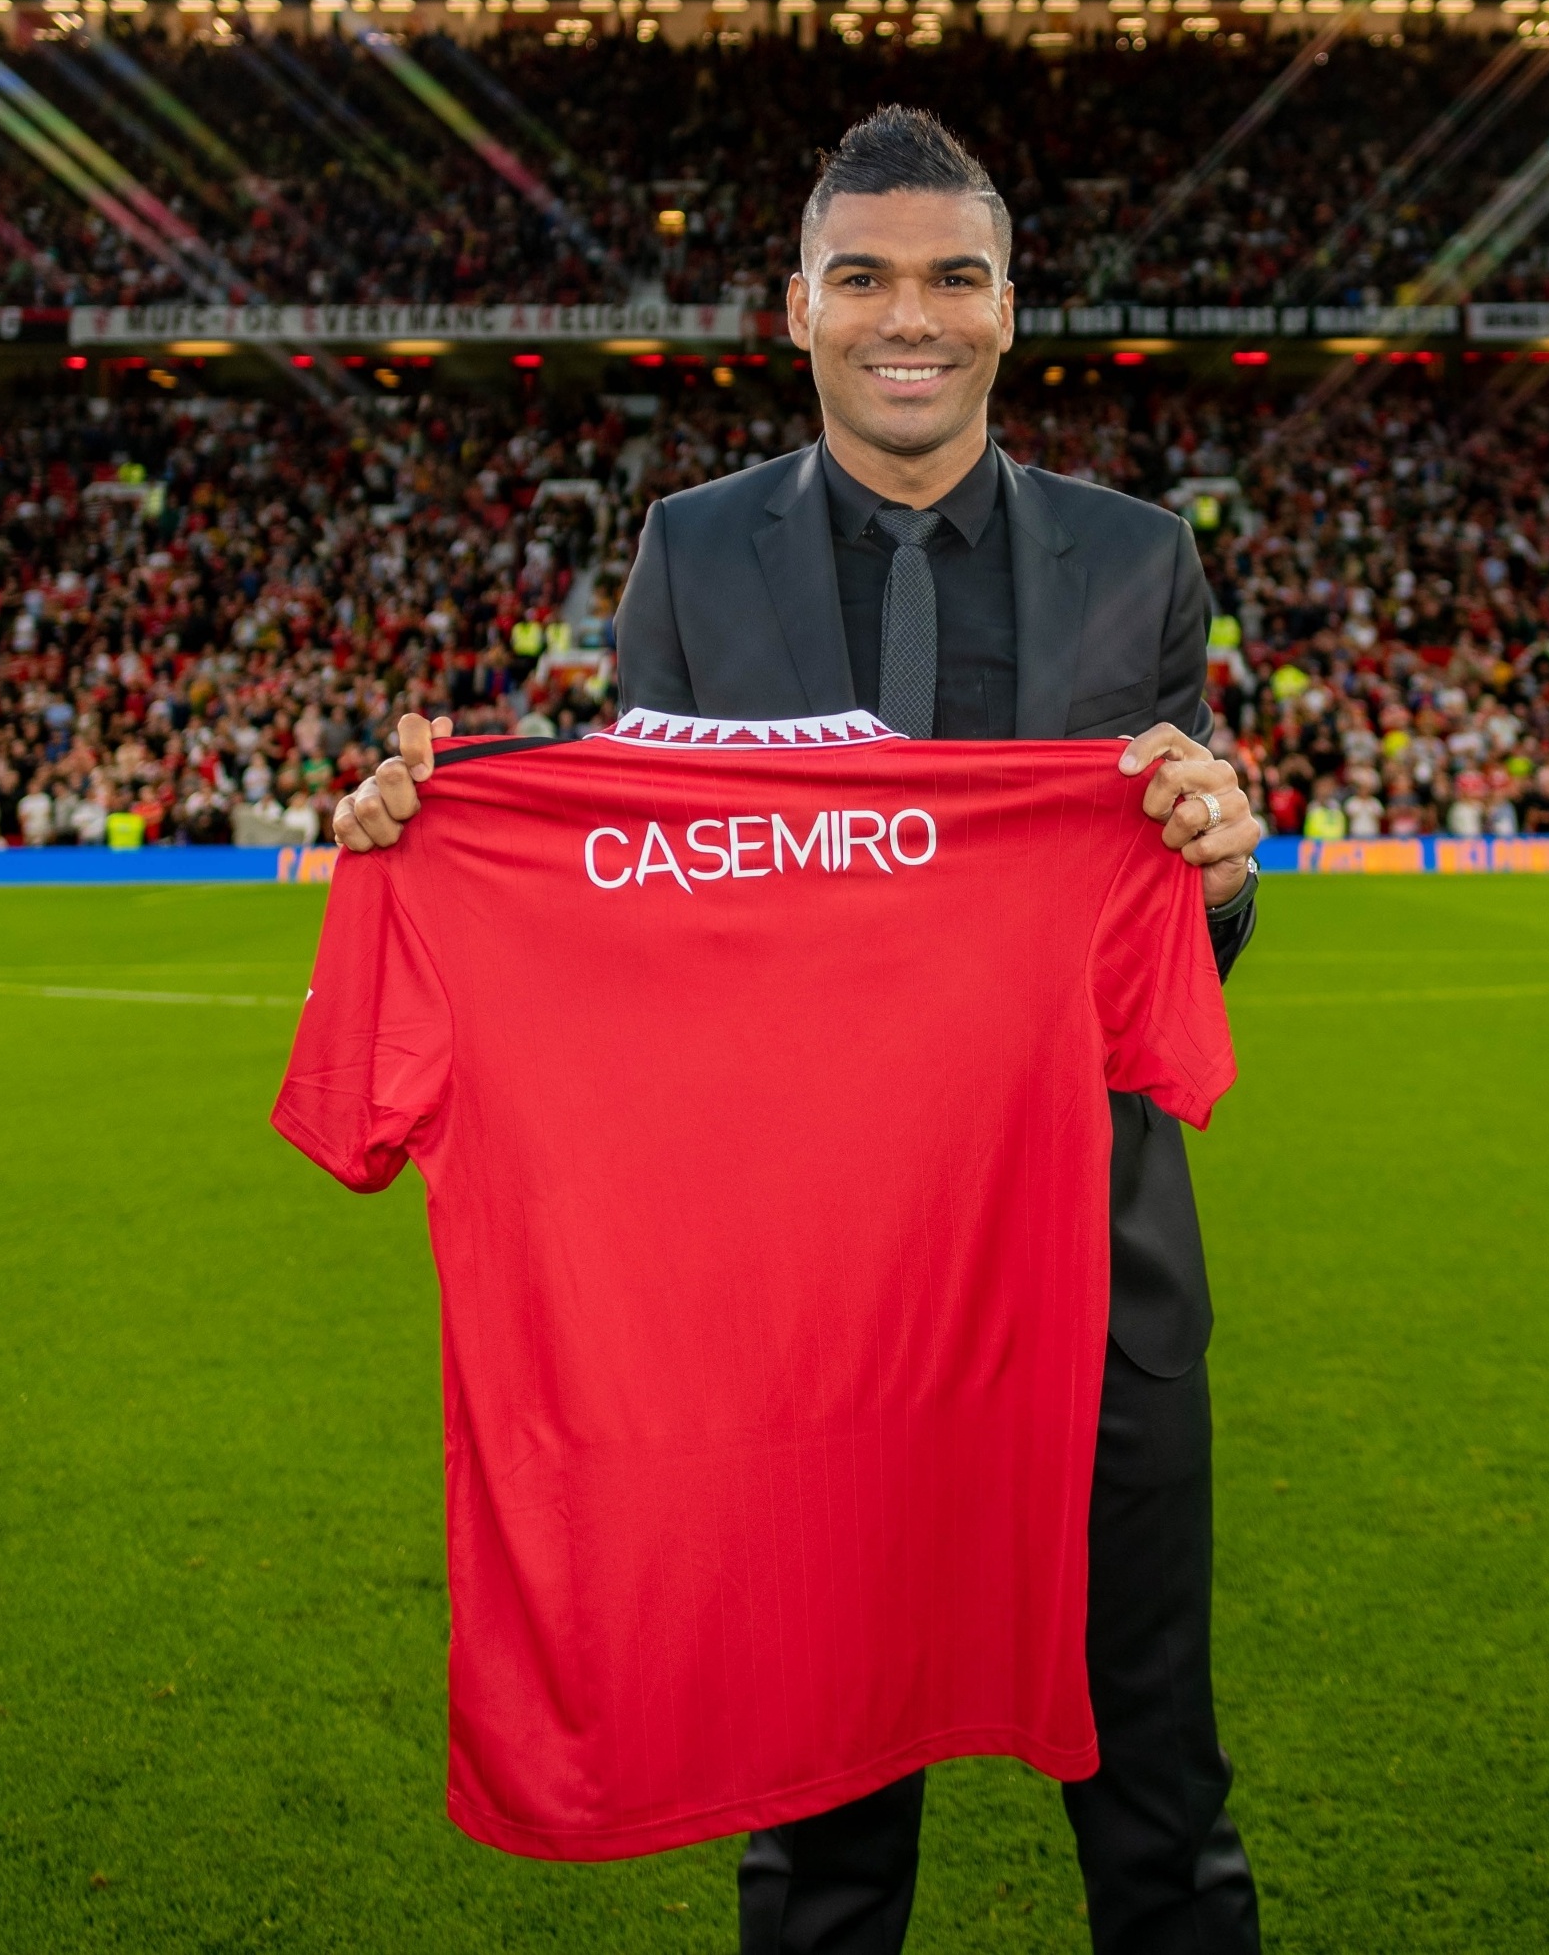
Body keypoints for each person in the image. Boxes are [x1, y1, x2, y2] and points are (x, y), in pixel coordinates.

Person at [335, 106, 1266, 1955]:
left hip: (1086, 1280)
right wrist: (421, 827)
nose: (903, 315)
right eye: (863, 277)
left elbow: (1166, 938)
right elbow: (651, 880)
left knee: (1160, 1810)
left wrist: (1220, 864)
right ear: (796, 308)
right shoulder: (691, 554)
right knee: (819, 1843)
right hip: (803, 1317)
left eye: (949, 278)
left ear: (1011, 310)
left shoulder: (1141, 558)